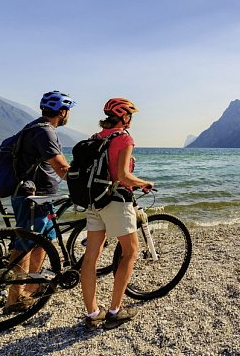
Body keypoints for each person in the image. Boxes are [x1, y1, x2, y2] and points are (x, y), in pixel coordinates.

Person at [80, 97, 154, 330]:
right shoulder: (123, 138)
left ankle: (93, 314)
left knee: (90, 258)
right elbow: (123, 176)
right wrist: (143, 183)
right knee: (130, 252)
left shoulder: (96, 137)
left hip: (94, 202)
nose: (131, 120)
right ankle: (114, 311)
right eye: (130, 115)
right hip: (116, 202)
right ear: (124, 117)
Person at [4, 90, 75, 313]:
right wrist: (85, 182)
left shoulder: (36, 127)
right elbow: (61, 167)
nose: (68, 114)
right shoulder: (45, 131)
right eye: (68, 110)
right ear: (62, 112)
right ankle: (14, 298)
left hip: (41, 196)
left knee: (43, 240)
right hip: (33, 197)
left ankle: (31, 288)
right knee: (24, 245)